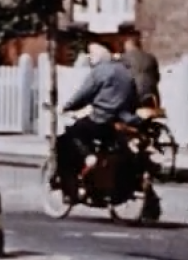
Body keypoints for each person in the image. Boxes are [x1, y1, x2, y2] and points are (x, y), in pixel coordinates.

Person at [57, 40, 138, 190]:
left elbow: (84, 94)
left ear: (98, 57)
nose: (89, 58)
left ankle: (88, 157)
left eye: (91, 55)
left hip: (102, 119)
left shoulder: (100, 71)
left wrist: (67, 107)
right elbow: (133, 97)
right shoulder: (126, 71)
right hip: (122, 121)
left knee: (71, 134)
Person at [120, 38, 161, 107]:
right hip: (152, 93)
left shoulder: (123, 58)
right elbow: (157, 77)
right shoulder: (151, 57)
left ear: (128, 46)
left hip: (134, 94)